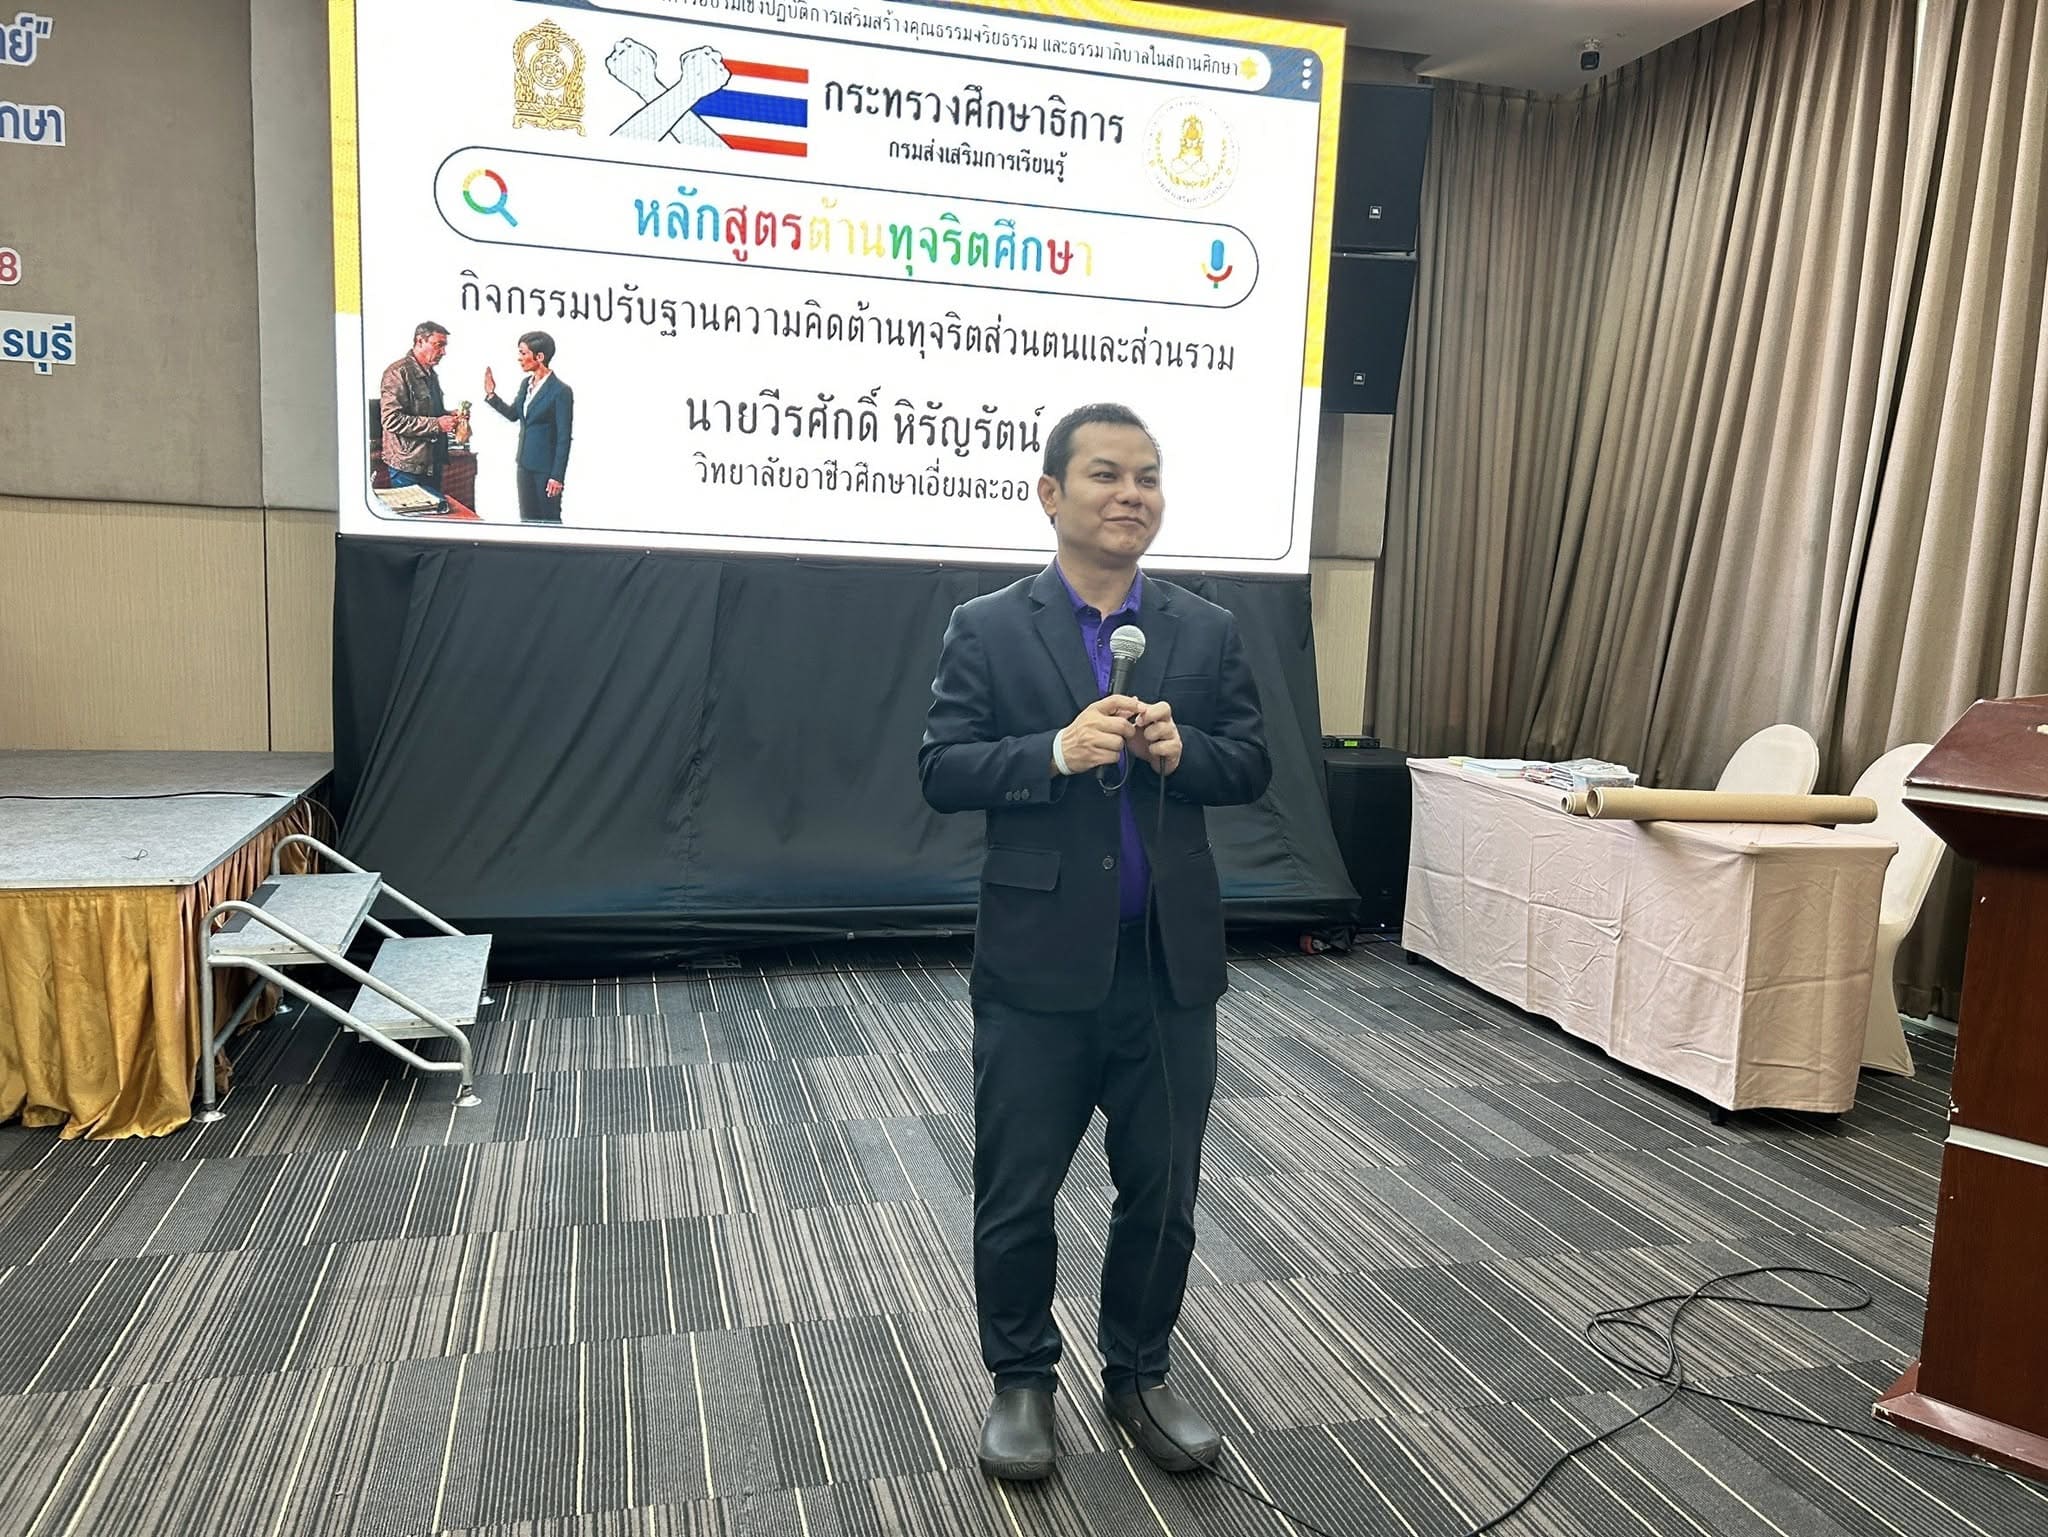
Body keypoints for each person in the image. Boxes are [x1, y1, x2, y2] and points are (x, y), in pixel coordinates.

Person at [919, 403, 1271, 1482]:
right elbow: (942, 769)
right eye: (1107, 474)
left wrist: (1184, 747)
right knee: (1016, 1188)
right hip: (1036, 965)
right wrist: (1052, 751)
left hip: (1166, 967)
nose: (1132, 494)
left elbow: (1249, 762)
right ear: (1050, 494)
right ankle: (1021, 1379)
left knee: (1162, 1190)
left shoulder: (1203, 629)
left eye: (1147, 476)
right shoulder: (988, 625)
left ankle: (1139, 1374)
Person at [482, 330, 575, 523]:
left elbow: (564, 438)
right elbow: (513, 415)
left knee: (549, 521)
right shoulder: (526, 384)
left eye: (523, 353)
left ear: (539, 357)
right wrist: (491, 395)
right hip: (524, 465)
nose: (519, 358)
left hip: (546, 470)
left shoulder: (561, 391)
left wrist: (557, 476)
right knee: (527, 520)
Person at [379, 321, 458, 493]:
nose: (443, 352)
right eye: (439, 345)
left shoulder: (430, 373)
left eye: (444, 346)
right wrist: (437, 424)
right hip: (407, 468)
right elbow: (391, 420)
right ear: (420, 341)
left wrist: (449, 415)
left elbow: (428, 412)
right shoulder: (397, 373)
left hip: (431, 463)